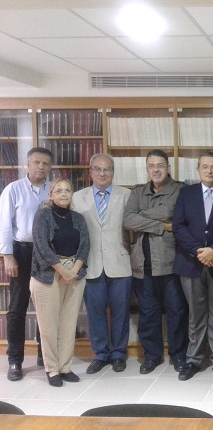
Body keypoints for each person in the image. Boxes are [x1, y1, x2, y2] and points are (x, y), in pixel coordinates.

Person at [123, 149, 188, 374]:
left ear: (168, 168)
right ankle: (152, 355)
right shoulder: (137, 191)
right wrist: (161, 226)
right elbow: (128, 219)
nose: (156, 170)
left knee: (176, 311)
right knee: (148, 313)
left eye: (160, 165)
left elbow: (172, 212)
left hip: (171, 263)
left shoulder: (180, 190)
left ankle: (179, 355)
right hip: (143, 264)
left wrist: (142, 215)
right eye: (151, 166)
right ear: (147, 169)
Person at [72, 153, 132, 375]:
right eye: (97, 169)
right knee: (95, 312)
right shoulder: (77, 198)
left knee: (120, 312)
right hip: (90, 263)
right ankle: (100, 354)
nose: (102, 173)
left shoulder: (126, 195)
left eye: (107, 169)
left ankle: (118, 354)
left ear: (113, 172)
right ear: (90, 172)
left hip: (121, 262)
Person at [172, 151, 213, 381]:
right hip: (191, 263)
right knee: (195, 316)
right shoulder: (186, 194)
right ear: (198, 170)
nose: (209, 171)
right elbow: (178, 226)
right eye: (205, 167)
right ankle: (193, 359)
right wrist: (199, 251)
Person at [30, 178, 90, 387]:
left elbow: (85, 245)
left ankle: (65, 367)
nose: (64, 194)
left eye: (67, 190)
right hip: (48, 275)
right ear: (51, 194)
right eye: (59, 190)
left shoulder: (78, 218)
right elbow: (41, 246)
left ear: (72, 194)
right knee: (48, 327)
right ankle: (52, 369)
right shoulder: (43, 215)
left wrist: (73, 270)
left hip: (74, 274)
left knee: (68, 324)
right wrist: (62, 270)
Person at [0, 147, 52, 381]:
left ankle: (45, 355)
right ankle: (15, 360)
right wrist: (7, 256)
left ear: (50, 167)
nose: (41, 167)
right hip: (21, 251)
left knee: (46, 306)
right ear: (28, 164)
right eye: (37, 162)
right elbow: (4, 224)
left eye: (45, 163)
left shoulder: (54, 190)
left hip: (47, 253)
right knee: (17, 308)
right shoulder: (14, 189)